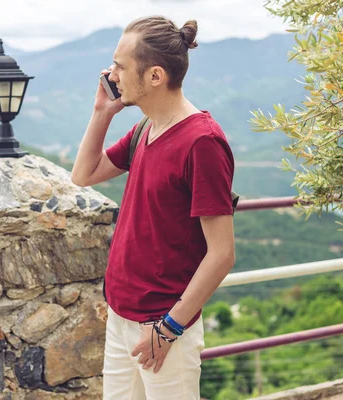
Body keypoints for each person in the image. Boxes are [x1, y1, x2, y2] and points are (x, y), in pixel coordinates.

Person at [71, 15, 236, 400]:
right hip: (121, 315)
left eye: (121, 66)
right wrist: (102, 112)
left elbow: (222, 253)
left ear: (155, 76)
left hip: (162, 328)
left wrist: (169, 329)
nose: (111, 75)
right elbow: (83, 174)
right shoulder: (145, 128)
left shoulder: (202, 142)